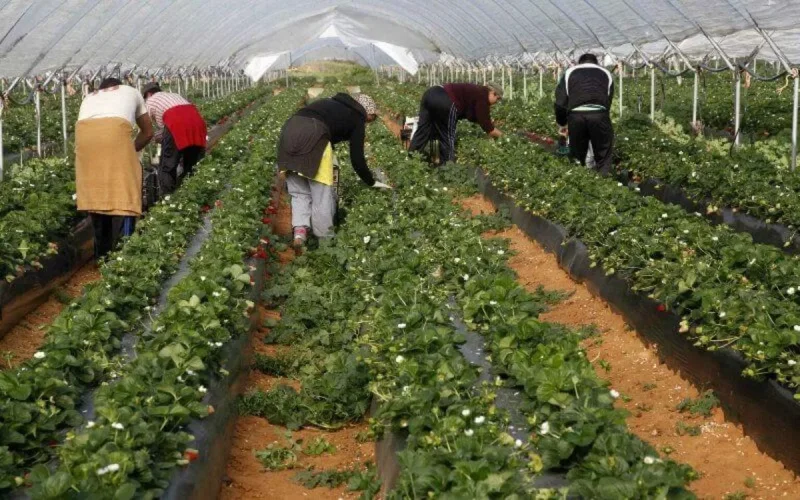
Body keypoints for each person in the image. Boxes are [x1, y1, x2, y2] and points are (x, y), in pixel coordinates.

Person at [277, 93, 391, 248]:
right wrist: (371, 181)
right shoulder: (357, 117)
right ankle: (325, 242)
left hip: (289, 131)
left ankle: (300, 234)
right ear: (367, 111)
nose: (369, 122)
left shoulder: (332, 103)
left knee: (299, 192)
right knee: (322, 194)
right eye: (372, 117)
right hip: (314, 136)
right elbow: (357, 159)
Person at [74, 77, 153, 258]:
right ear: (119, 86)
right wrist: (129, 151)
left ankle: (102, 257)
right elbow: (148, 132)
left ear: (101, 89)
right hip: (113, 132)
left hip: (84, 139)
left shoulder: (89, 97)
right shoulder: (132, 92)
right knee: (127, 191)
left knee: (96, 195)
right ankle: (125, 253)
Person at [409, 82, 503, 164]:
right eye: (497, 99)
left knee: (425, 130)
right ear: (492, 93)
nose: (496, 102)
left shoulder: (477, 90)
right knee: (446, 137)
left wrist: (484, 121)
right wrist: (503, 136)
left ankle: (412, 160)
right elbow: (488, 127)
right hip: (445, 100)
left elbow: (472, 115)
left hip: (430, 93)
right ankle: (447, 167)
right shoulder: (483, 96)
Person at [555, 53, 615, 174]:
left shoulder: (570, 72)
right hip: (599, 114)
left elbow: (560, 103)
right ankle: (602, 181)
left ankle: (579, 178)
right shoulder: (606, 73)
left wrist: (562, 123)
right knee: (603, 153)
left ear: (580, 63)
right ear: (596, 63)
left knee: (578, 154)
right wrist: (602, 118)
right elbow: (608, 100)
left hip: (576, 116)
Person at [142, 82, 207, 194]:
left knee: (167, 166)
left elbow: (147, 128)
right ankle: (194, 191)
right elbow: (165, 129)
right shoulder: (175, 95)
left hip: (176, 123)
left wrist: (151, 139)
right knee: (193, 163)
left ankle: (169, 197)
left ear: (148, 94)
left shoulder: (150, 100)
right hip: (197, 123)